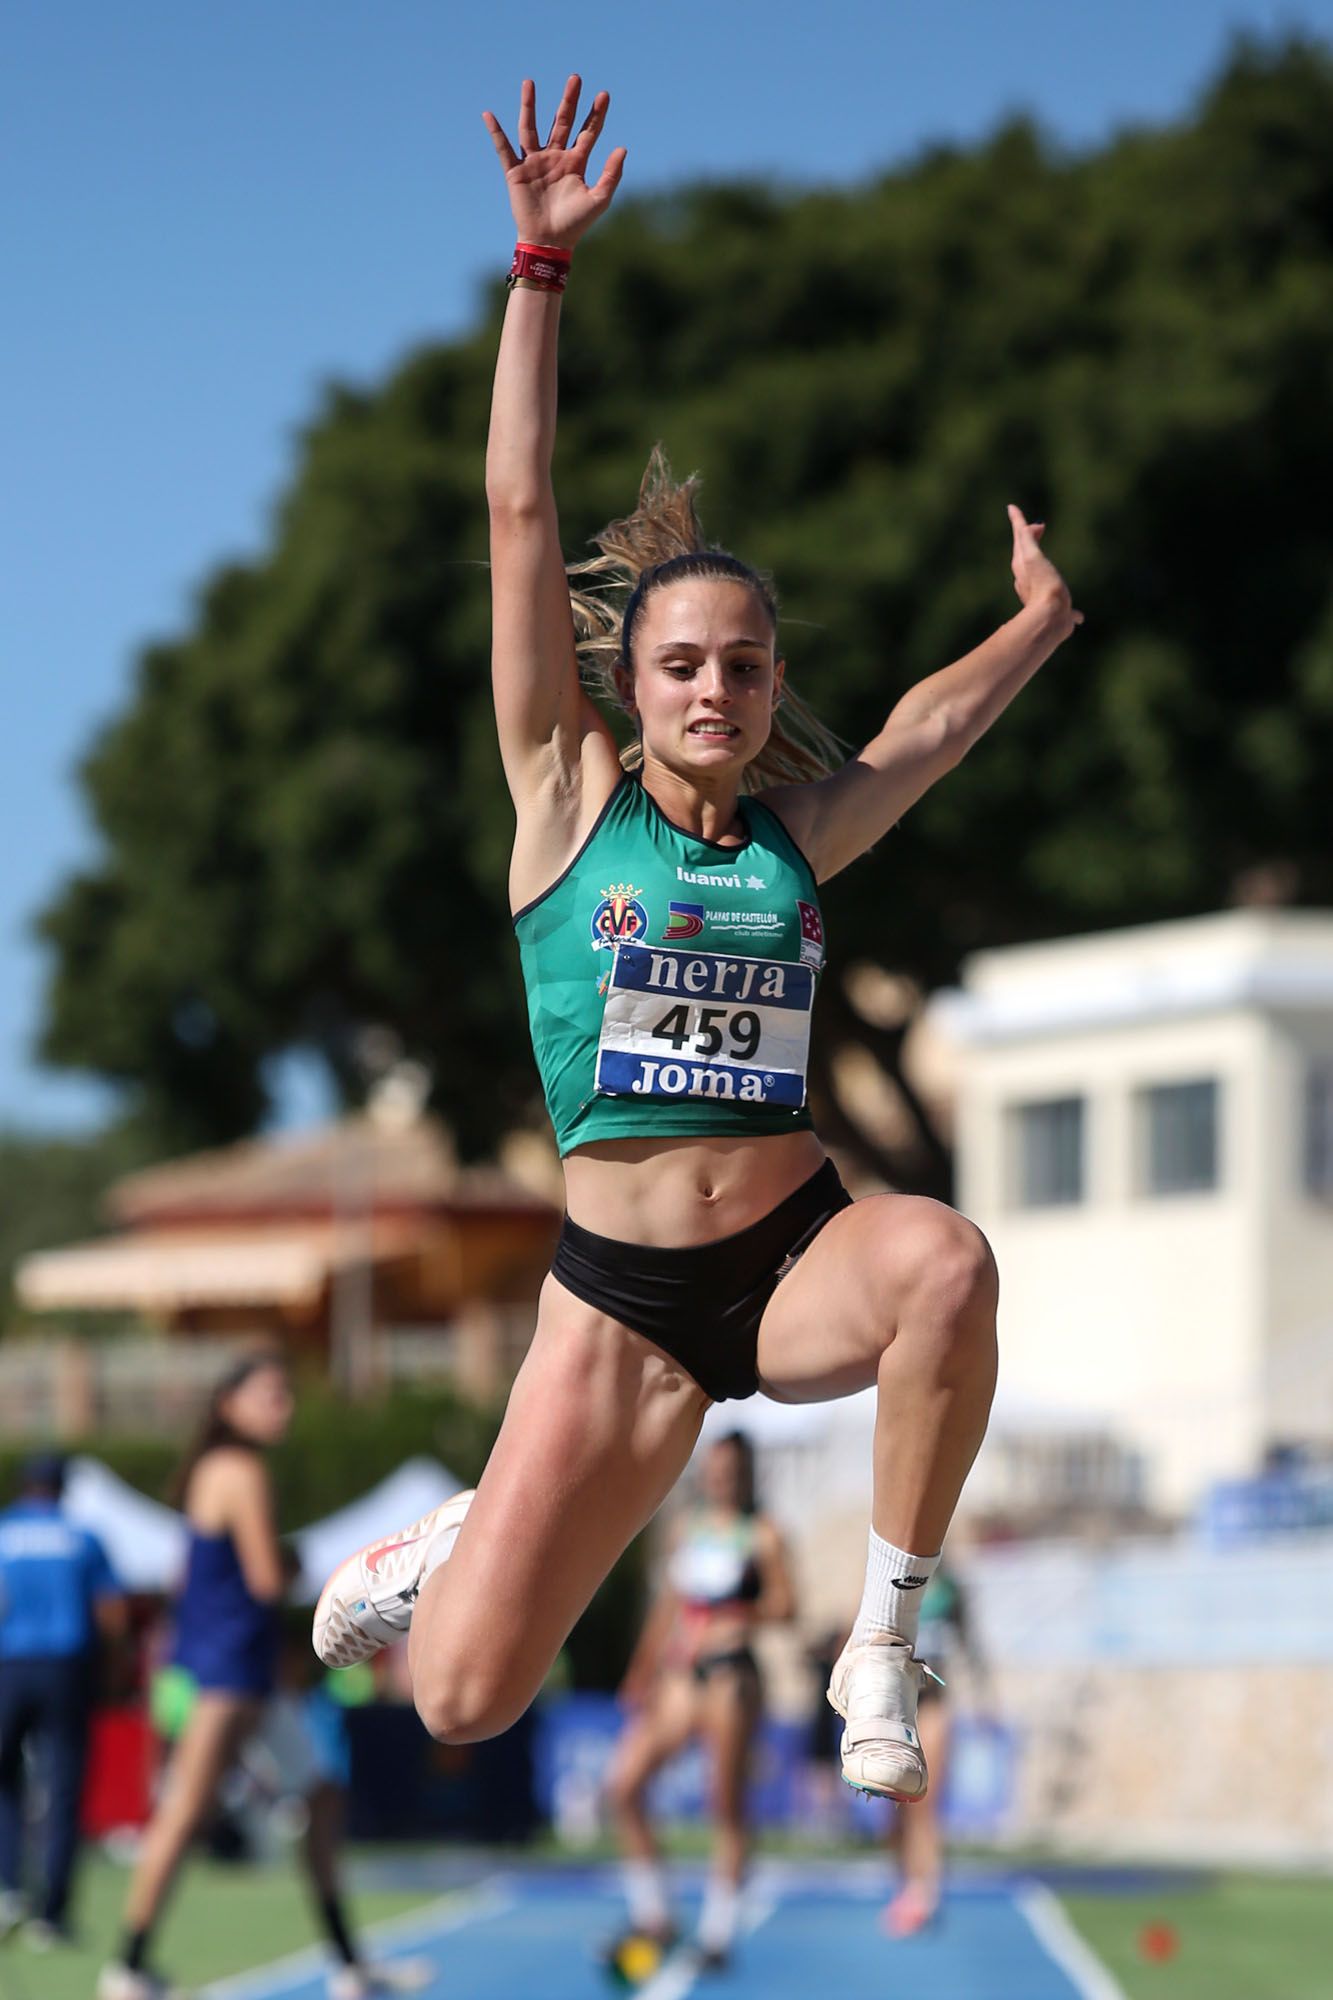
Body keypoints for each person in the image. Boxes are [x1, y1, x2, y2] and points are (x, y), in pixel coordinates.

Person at [313, 73, 1080, 1823]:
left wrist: (1038, 622)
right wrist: (536, 274)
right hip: (620, 1308)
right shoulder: (567, 798)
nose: (716, 689)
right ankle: (458, 1531)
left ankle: (885, 1636)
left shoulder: (798, 839)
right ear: (632, 684)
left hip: (796, 1255)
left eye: (745, 665)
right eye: (681, 666)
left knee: (946, 1261)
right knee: (460, 1702)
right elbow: (517, 518)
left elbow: (923, 730)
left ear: (767, 682)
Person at [99, 1353, 415, 2000]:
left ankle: (350, 1966)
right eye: (270, 1394)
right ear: (228, 1404)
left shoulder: (216, 1471)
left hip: (238, 1671)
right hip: (228, 1673)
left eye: (286, 1393)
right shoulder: (239, 1470)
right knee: (186, 1812)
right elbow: (267, 1577)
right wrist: (338, 1581)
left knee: (320, 1796)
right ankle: (127, 1968)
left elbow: (195, 1580)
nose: (285, 1405)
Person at [604, 1430, 794, 1972]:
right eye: (714, 1469)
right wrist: (639, 1672)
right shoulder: (687, 1529)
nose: (720, 1479)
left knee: (725, 1801)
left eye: (731, 1471)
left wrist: (741, 1617)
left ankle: (717, 1930)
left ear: (747, 1474)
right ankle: (654, 1911)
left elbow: (786, 1603)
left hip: (730, 1676)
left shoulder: (763, 1534)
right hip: (679, 1677)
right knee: (625, 1784)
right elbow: (668, 1605)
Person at [0, 1450, 126, 1948]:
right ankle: (50, 1915)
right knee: (65, 1787)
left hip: (9, 1667)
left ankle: (8, 1887)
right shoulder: (84, 1537)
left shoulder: (4, 1531)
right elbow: (111, 1613)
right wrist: (116, 1673)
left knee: (2, 1776)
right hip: (66, 1669)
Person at [879, 1560, 987, 1937]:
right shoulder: (888, 1576)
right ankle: (905, 1884)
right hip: (895, 1705)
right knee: (893, 1806)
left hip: (935, 1703)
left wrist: (985, 1698)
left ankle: (927, 1893)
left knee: (926, 1802)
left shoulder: (951, 1587)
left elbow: (971, 1645)